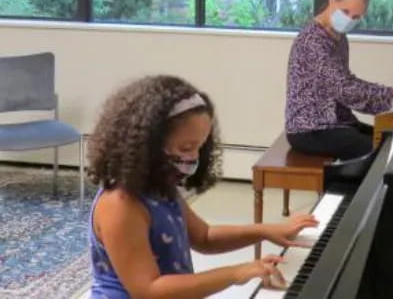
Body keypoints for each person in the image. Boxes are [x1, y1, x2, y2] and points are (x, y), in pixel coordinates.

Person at [87, 75, 318, 298]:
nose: (195, 156)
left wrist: (266, 230)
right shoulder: (120, 205)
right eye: (186, 147)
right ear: (145, 145)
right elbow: (150, 290)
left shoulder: (159, 185)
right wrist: (236, 273)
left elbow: (205, 237)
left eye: (200, 146)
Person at [285, 0, 393, 160]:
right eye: (346, 12)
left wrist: (392, 97)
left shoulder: (338, 37)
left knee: (390, 140)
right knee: (381, 153)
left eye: (356, 17)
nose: (349, 20)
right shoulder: (313, 41)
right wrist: (391, 96)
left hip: (336, 122)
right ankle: (347, 187)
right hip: (310, 128)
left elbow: (346, 81)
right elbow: (344, 89)